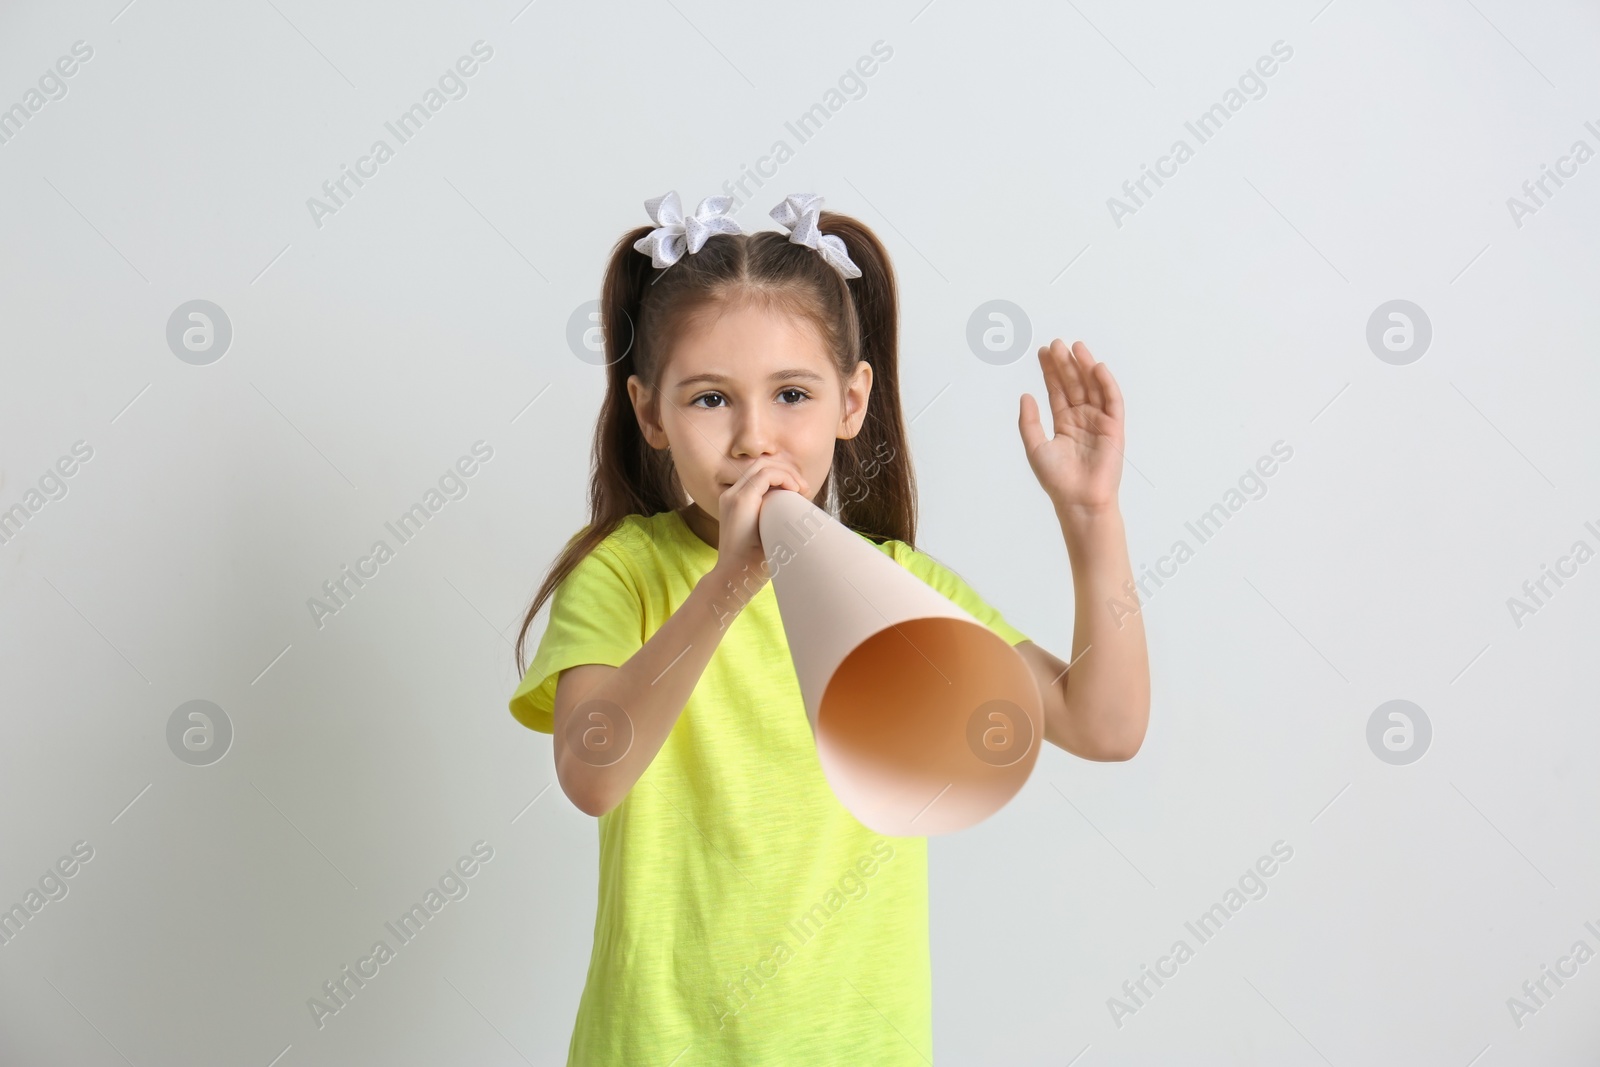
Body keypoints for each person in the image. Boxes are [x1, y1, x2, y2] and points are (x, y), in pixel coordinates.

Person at [509, 189, 1150, 1065]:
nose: (753, 437)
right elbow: (591, 773)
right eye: (708, 400)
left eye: (792, 394)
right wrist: (729, 585)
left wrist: (1090, 516)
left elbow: (1104, 725)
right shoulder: (625, 574)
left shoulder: (892, 584)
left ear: (851, 403)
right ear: (649, 413)